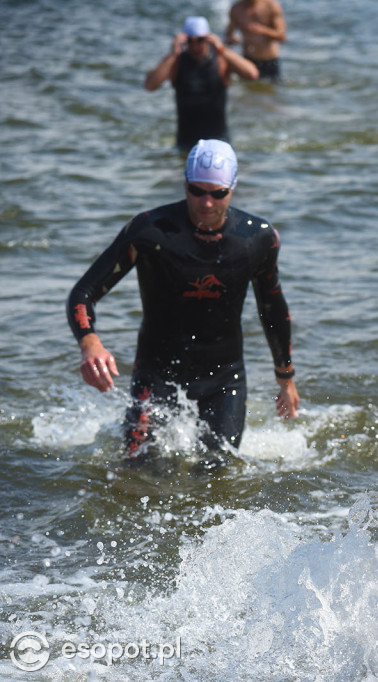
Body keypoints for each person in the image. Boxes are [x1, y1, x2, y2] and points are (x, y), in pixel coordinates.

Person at [67, 140, 299, 474]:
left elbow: (272, 307)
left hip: (224, 378)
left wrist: (285, 378)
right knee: (139, 472)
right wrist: (89, 343)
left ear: (233, 188)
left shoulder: (257, 238)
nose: (206, 203)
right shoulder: (151, 231)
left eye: (217, 193)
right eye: (196, 190)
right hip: (157, 372)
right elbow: (84, 291)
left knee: (217, 474)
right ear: (184, 183)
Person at [144, 16, 259, 151]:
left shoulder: (221, 60)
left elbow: (252, 74)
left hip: (218, 140)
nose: (195, 46)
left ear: (209, 39)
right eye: (190, 41)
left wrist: (222, 48)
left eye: (200, 40)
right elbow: (149, 86)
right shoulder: (176, 62)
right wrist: (173, 54)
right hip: (185, 142)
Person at [225, 0, 287, 82]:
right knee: (247, 92)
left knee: (272, 91)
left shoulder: (271, 6)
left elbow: (282, 36)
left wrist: (263, 30)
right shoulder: (236, 8)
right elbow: (228, 36)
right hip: (248, 60)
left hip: (269, 60)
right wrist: (233, 40)